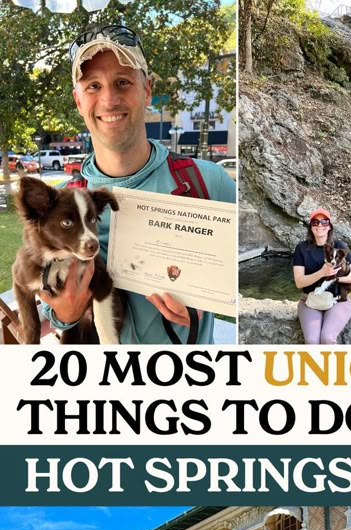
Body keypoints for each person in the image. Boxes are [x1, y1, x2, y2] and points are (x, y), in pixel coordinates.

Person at [40, 23, 236, 344]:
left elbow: (253, 279)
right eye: (93, 86)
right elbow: (52, 299)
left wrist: (205, 307)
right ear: (78, 102)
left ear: (146, 91)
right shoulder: (64, 205)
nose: (109, 99)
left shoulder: (207, 182)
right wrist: (64, 313)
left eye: (122, 82)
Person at [293, 208, 351, 344]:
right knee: (312, 340)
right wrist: (322, 273)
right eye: (315, 222)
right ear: (311, 226)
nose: (320, 226)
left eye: (324, 222)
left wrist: (336, 278)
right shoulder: (302, 248)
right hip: (311, 300)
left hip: (338, 300)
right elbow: (299, 282)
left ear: (329, 226)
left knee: (327, 338)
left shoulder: (340, 246)